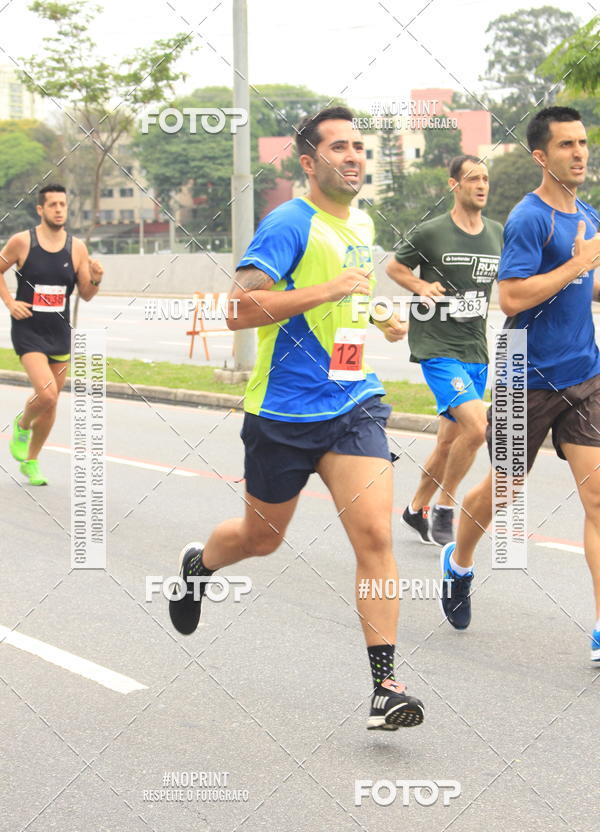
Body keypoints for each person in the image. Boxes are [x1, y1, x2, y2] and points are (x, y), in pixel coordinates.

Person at [168, 106, 424, 731]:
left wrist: (376, 318)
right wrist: (327, 291)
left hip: (352, 401)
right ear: (309, 162)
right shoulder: (287, 223)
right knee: (263, 540)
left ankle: (385, 686)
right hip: (282, 412)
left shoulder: (360, 221)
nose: (355, 156)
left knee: (375, 538)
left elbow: (347, 302)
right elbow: (238, 310)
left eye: (360, 146)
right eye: (340, 147)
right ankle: (199, 566)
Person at [439, 107, 600, 659]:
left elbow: (587, 287)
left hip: (584, 373)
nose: (579, 153)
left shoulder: (590, 216)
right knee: (504, 491)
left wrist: (588, 275)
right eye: (566, 146)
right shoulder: (529, 218)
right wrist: (578, 267)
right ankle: (459, 563)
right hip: (522, 372)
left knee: (598, 498)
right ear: (541, 155)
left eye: (582, 143)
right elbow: (509, 298)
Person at [386, 156, 503, 546]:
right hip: (437, 348)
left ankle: (415, 508)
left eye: (485, 178)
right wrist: (420, 287)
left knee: (448, 443)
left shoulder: (497, 234)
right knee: (478, 427)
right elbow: (395, 268)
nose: (481, 185)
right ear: (454, 185)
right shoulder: (432, 233)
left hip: (475, 349)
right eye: (473, 178)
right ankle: (444, 507)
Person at [0, 184, 103, 485]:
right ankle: (22, 423)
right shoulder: (22, 242)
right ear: (41, 210)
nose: (59, 209)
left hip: (59, 332)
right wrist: (10, 302)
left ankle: (31, 460)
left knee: (52, 400)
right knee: (46, 393)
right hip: (28, 329)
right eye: (53, 204)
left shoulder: (77, 248)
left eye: (63, 204)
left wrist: (96, 278)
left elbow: (85, 294)